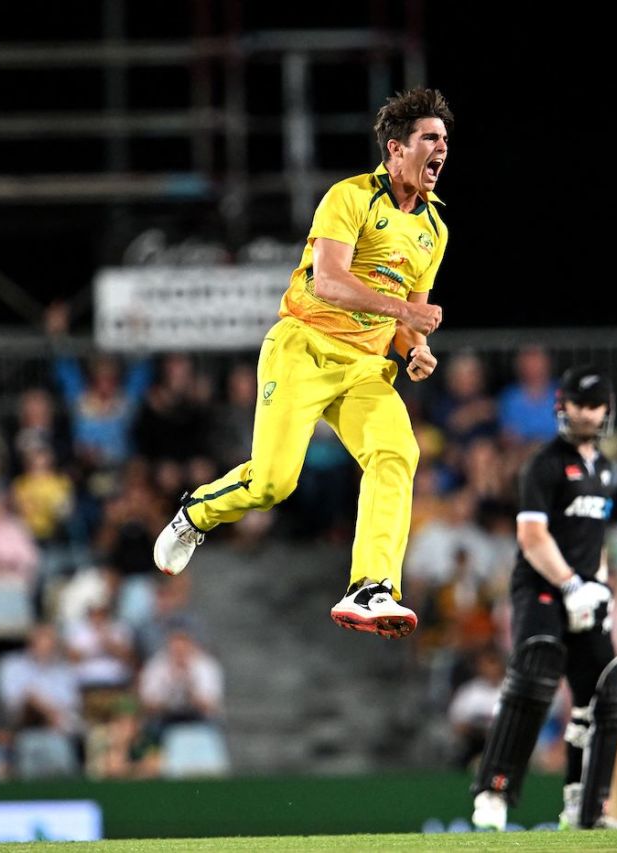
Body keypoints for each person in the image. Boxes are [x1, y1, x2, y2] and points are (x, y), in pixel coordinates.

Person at [153, 88, 452, 639]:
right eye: (430, 138)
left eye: (445, 140)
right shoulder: (350, 198)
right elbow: (332, 282)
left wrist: (414, 348)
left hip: (365, 368)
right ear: (396, 149)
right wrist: (403, 310)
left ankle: (372, 585)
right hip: (304, 348)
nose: (442, 149)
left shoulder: (434, 228)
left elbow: (410, 319)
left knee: (398, 455)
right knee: (272, 485)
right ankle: (195, 513)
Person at [470, 366, 617, 831]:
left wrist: (600, 588)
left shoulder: (604, 468)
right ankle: (494, 791)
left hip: (584, 593)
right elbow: (531, 536)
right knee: (534, 678)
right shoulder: (543, 464)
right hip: (542, 588)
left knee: (606, 689)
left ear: (606, 409)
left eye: (593, 405)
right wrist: (571, 585)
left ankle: (587, 807)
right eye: (577, 404)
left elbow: (595, 540)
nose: (585, 414)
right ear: (561, 406)